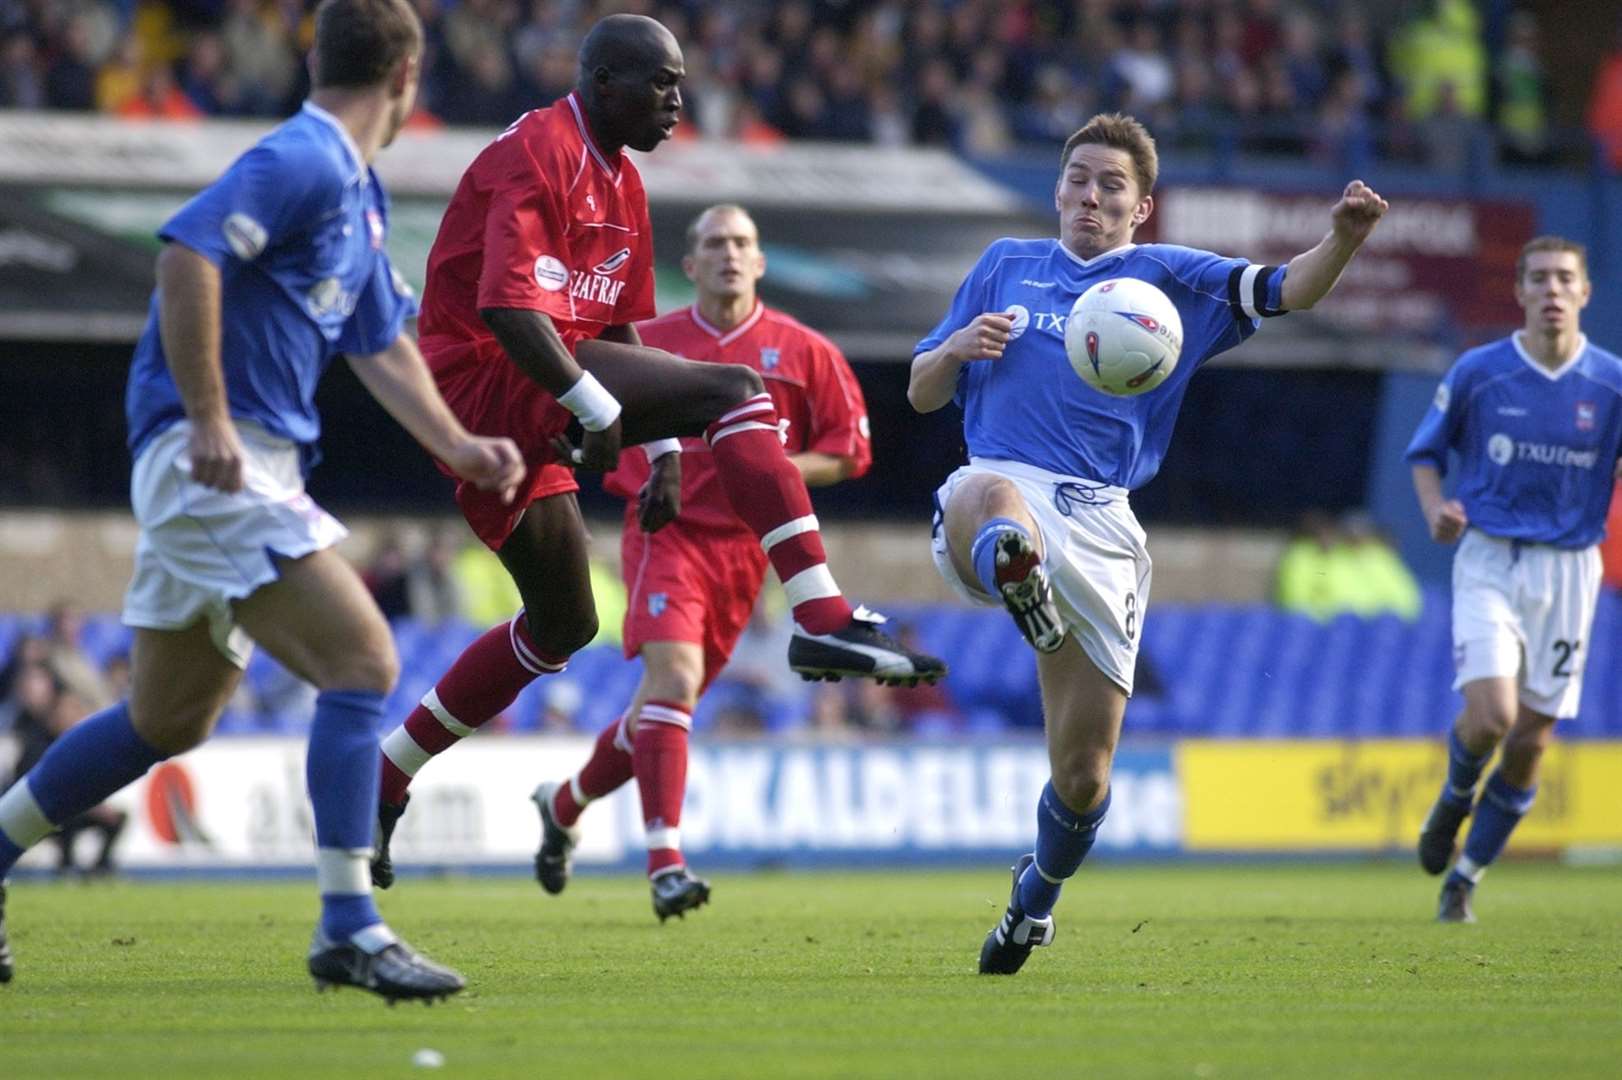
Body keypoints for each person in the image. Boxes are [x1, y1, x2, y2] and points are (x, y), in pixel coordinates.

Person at [0, 0, 525, 1001]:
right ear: (407, 77)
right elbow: (187, 252)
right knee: (365, 660)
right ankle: (347, 926)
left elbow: (378, 345)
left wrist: (456, 443)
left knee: (167, 717)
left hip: (246, 466)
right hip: (220, 459)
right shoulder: (307, 159)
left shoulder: (357, 195)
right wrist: (208, 416)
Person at [367, 15, 942, 887]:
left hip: (536, 385)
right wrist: (600, 407)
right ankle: (820, 617)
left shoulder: (621, 182)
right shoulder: (538, 153)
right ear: (605, 84)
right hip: (485, 376)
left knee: (562, 626)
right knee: (737, 389)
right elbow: (509, 310)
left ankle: (387, 773)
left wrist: (662, 440)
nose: (680, 99)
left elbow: (619, 330)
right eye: (663, 82)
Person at [909, 112, 1386, 975]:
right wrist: (952, 349)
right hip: (1003, 483)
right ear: (1058, 188)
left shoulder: (1171, 282)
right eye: (1079, 178)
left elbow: (1289, 290)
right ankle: (1019, 571)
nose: (1091, 195)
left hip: (1101, 523)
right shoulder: (1003, 266)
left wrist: (1343, 240)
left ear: (1142, 206)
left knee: (1086, 776)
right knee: (988, 493)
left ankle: (1032, 905)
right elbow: (917, 390)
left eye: (1112, 185)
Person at [525, 203, 872, 920]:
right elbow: (589, 421)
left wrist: (767, 469)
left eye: (743, 241)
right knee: (674, 681)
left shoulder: (807, 351)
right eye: (715, 243)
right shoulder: (646, 342)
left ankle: (562, 805)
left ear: (761, 260)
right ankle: (666, 864)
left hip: (748, 553)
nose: (729, 254)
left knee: (659, 711)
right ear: (690, 265)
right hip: (667, 531)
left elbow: (846, 453)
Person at [1408, 236, 1622, 924]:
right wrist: (1437, 510)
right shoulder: (1481, 371)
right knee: (1493, 717)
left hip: (1570, 571)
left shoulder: (1612, 385)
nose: (1552, 291)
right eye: (1539, 279)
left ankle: (1465, 876)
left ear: (1585, 292)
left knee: (1530, 743)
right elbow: (1425, 454)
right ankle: (1455, 798)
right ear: (1521, 292)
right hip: (1491, 558)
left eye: (1565, 278)